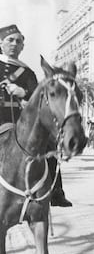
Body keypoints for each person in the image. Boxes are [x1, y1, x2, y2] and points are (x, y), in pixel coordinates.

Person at [0, 24, 71, 207]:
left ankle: (56, 192)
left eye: (19, 41)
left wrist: (22, 92)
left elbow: (36, 97)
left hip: (21, 121)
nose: (15, 44)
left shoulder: (28, 72)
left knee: (48, 145)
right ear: (1, 43)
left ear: (23, 46)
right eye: (10, 40)